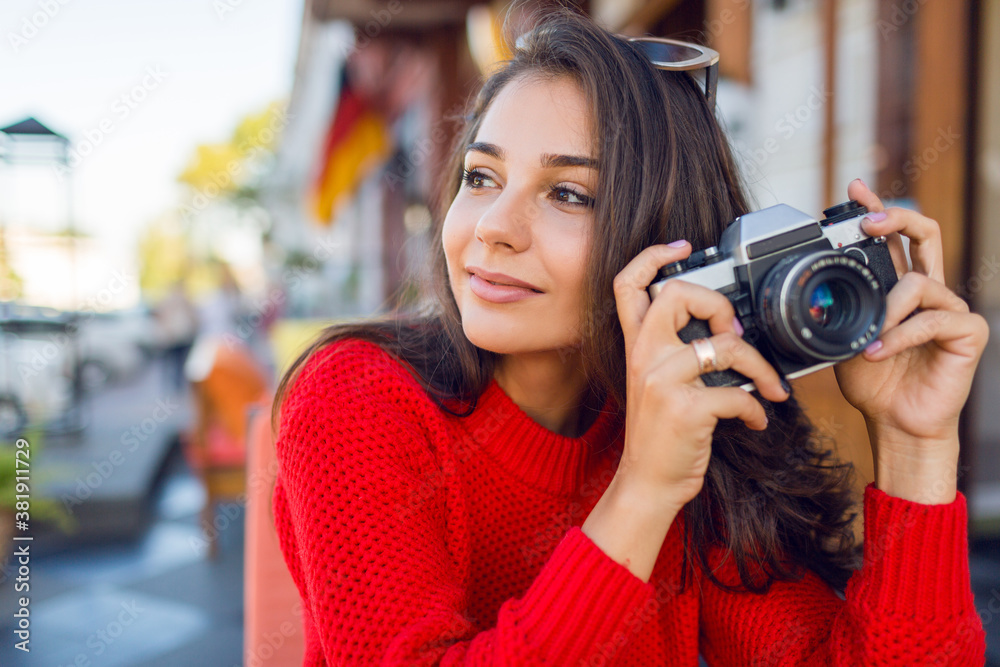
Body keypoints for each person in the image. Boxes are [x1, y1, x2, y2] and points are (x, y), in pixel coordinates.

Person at [271, 9, 988, 665]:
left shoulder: (683, 425)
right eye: (482, 176)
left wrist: (916, 446)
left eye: (568, 194)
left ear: (668, 245)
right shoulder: (355, 400)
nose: (492, 226)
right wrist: (641, 491)